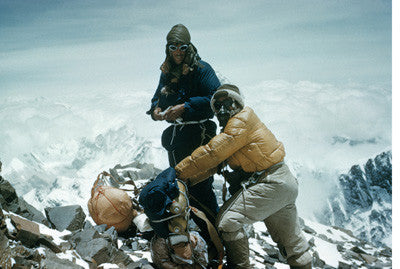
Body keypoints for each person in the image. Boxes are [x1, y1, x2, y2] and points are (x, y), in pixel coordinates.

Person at [175, 84, 312, 269]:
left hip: (270, 183)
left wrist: (176, 173)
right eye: (218, 106)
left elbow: (212, 153)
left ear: (238, 104)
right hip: (283, 184)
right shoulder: (236, 129)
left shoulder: (241, 121)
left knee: (227, 221)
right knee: (293, 245)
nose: (223, 109)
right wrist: (186, 180)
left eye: (228, 103)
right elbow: (214, 164)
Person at [146, 24, 220, 242]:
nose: (177, 51)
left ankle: (213, 237)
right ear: (167, 48)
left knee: (201, 185)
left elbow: (216, 98)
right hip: (178, 137)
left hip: (200, 133)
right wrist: (156, 111)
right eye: (173, 47)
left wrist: (186, 107)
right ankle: (191, 234)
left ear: (189, 47)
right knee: (180, 183)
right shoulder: (167, 70)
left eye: (182, 46)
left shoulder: (202, 69)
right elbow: (157, 98)